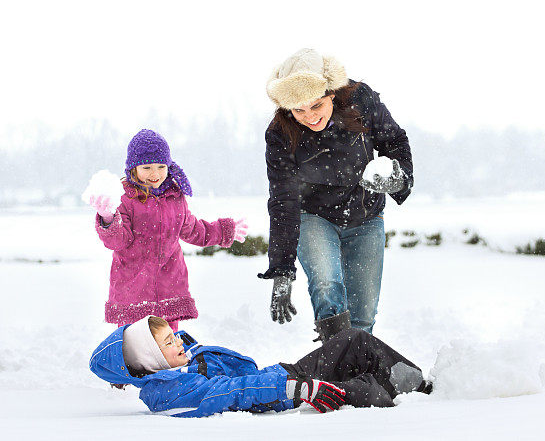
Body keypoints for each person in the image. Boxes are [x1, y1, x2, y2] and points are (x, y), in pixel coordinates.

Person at [260, 48, 413, 340]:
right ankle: (334, 364)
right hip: (314, 216)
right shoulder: (280, 133)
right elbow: (283, 201)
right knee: (328, 288)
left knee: (363, 312)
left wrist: (399, 178)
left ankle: (360, 372)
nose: (309, 116)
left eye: (316, 105)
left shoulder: (361, 100)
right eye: (299, 110)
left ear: (331, 93)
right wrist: (281, 268)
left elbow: (394, 141)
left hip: (365, 215)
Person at [89, 315, 432, 417]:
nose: (178, 342)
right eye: (168, 344)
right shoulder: (168, 392)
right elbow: (230, 392)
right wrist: (298, 388)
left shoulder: (180, 369)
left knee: (355, 342)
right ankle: (416, 394)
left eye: (174, 335)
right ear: (150, 362)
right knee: (356, 354)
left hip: (281, 380)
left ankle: (412, 386)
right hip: (283, 391)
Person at [86, 129, 248, 331]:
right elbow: (118, 241)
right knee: (134, 346)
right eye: (147, 167)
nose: (155, 174)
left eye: (161, 166)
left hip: (169, 287)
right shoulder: (125, 199)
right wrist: (108, 218)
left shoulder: (175, 195)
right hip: (133, 290)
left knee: (167, 347)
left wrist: (222, 231)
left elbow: (192, 229)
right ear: (133, 168)